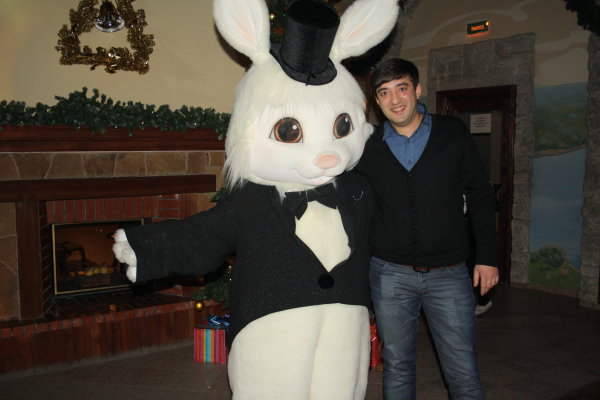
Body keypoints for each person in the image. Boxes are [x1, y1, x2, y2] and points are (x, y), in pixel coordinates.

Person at [356, 58, 499, 399]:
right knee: (397, 367)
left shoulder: (452, 133)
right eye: (384, 92)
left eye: (402, 88)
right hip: (390, 274)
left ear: (417, 90)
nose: (395, 99)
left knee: (462, 371)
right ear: (376, 101)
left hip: (449, 274)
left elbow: (480, 195)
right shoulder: (367, 146)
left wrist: (487, 257)